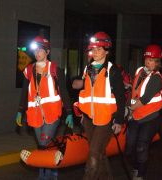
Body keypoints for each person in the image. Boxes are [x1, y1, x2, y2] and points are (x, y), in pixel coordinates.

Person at [15, 35, 73, 180]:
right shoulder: (29, 70)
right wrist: (20, 111)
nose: (37, 53)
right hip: (35, 114)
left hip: (52, 112)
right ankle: (50, 172)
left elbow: (64, 92)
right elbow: (24, 92)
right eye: (36, 50)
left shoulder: (55, 69)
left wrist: (69, 112)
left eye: (41, 50)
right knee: (45, 145)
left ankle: (46, 176)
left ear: (47, 52)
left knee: (43, 141)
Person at [73, 31, 126, 179]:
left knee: (94, 154)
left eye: (98, 49)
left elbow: (121, 98)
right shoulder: (87, 69)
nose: (94, 52)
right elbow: (86, 94)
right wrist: (83, 115)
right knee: (100, 153)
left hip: (105, 120)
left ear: (106, 51)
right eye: (92, 49)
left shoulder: (113, 70)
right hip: (89, 119)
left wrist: (119, 121)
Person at [125, 44, 162, 180]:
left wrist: (127, 110)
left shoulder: (157, 78)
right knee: (130, 146)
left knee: (141, 145)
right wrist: (129, 86)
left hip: (151, 117)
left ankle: (140, 174)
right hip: (136, 116)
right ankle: (136, 166)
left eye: (152, 60)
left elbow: (143, 99)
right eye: (147, 58)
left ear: (158, 62)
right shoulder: (140, 71)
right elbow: (135, 92)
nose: (148, 62)